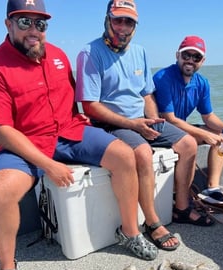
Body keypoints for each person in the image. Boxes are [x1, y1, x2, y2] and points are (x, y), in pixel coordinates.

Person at [0, 0, 160, 270]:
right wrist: (48, 165)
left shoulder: (58, 56)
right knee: (1, 191)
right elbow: (0, 130)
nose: (34, 30)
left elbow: (71, 99)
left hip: (69, 131)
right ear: (8, 24)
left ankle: (129, 231)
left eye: (41, 24)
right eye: (25, 22)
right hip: (25, 141)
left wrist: (82, 119)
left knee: (125, 156)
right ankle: (7, 268)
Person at [75, 0, 214, 250]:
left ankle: (182, 207)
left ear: (135, 25)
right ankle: (152, 222)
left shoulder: (139, 52)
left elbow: (147, 94)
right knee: (141, 152)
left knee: (188, 143)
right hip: (111, 123)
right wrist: (134, 125)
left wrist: (151, 120)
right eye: (118, 20)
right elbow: (90, 107)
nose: (123, 27)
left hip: (141, 120)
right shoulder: (90, 53)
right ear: (107, 19)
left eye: (129, 21)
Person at [153, 36, 223, 208]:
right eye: (186, 55)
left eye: (196, 57)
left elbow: (208, 116)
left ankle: (212, 189)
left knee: (221, 136)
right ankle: (181, 195)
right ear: (177, 55)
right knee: (196, 139)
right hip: (161, 130)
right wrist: (204, 134)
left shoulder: (202, 83)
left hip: (181, 129)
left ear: (202, 61)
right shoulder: (163, 77)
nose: (190, 60)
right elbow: (169, 118)